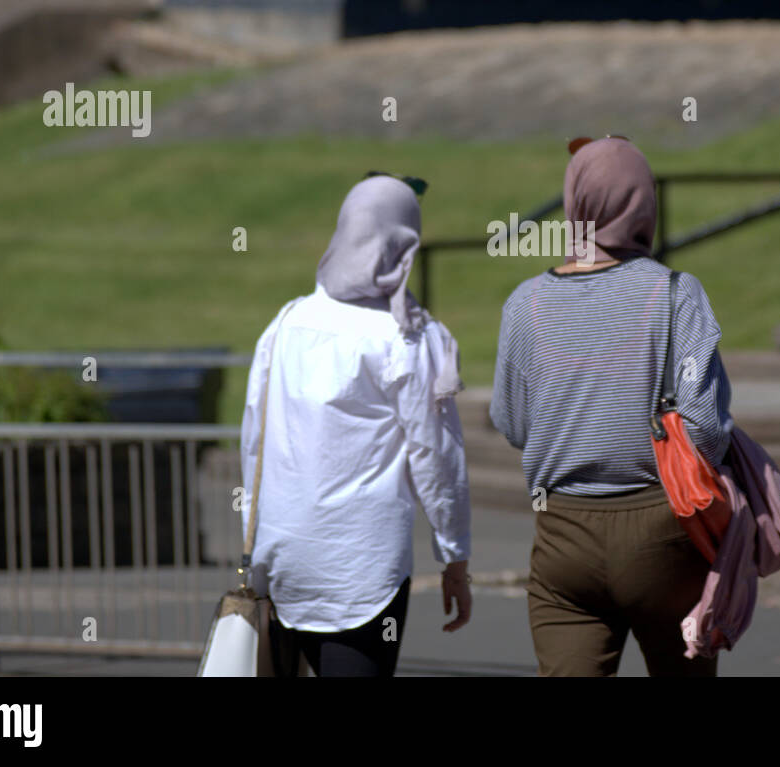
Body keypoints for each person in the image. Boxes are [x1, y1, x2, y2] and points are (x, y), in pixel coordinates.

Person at [490, 136, 734, 677]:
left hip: (563, 535)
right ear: (645, 203)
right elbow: (707, 431)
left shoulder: (525, 303)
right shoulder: (676, 293)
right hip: (665, 531)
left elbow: (510, 422)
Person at [240, 174, 472, 677]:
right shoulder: (408, 335)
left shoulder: (286, 322)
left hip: (283, 560)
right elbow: (435, 457)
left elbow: (255, 443)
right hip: (361, 571)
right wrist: (454, 555)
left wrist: (252, 549)